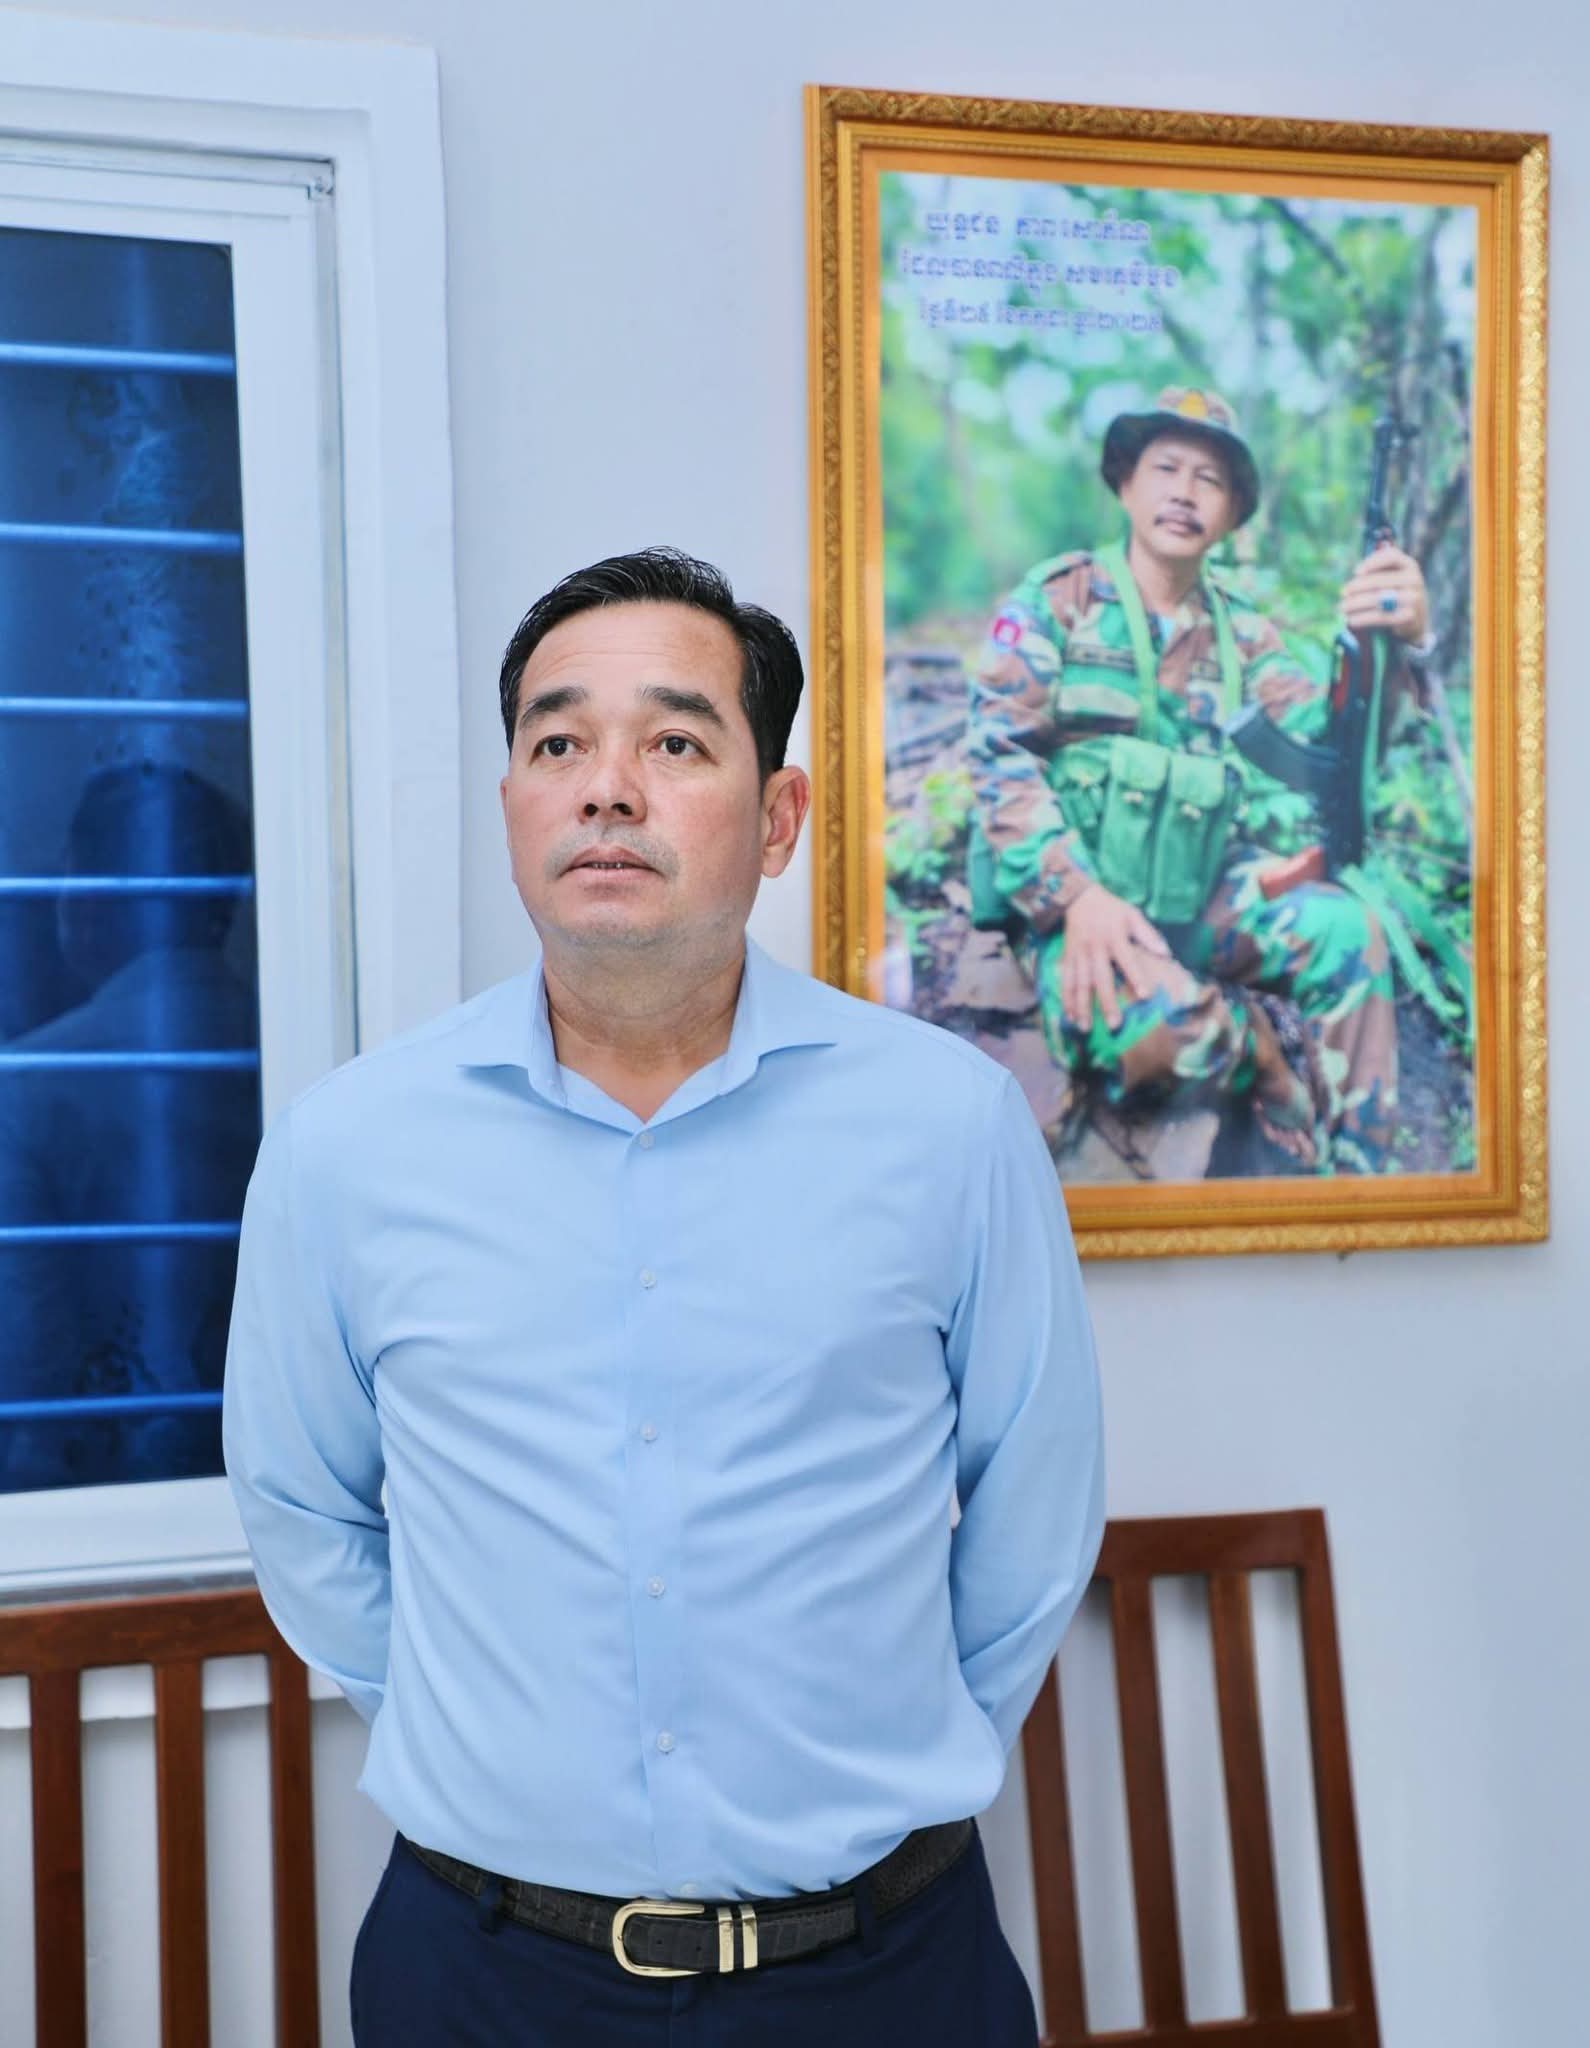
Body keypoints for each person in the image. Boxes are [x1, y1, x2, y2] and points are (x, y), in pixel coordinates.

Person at [223, 548, 1104, 2046]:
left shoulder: (948, 1124)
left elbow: (1035, 1496)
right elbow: (303, 1504)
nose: (606, 790)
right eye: (558, 742)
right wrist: (473, 1730)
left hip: (881, 1970)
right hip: (485, 1974)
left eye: (676, 743)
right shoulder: (348, 1149)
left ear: (778, 818)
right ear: (512, 802)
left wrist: (890, 1751)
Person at [966, 385, 1433, 1174]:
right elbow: (999, 758)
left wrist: (1397, 646)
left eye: (1210, 480)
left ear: (1231, 514)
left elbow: (1333, 745)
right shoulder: (1058, 600)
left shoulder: (1244, 631)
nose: (1184, 492)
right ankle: (1257, 1051)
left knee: (1352, 934)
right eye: (1166, 469)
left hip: (1202, 888)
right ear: (1125, 484)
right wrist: (1076, 898)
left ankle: (1363, 1181)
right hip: (1082, 900)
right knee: (1154, 1038)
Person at [0, 760, 259, 1493]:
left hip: (97, 1486)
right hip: (259, 1472)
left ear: (88, 895)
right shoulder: (288, 1051)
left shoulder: (28, 1085)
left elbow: (31, 1355)